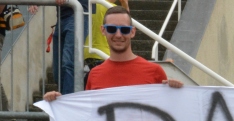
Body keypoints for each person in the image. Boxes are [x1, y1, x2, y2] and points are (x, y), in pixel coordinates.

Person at [41, 6, 182, 102]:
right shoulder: (94, 75)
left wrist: (177, 93)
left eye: (124, 30)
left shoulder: (155, 72)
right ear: (103, 30)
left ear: (133, 32)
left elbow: (168, 117)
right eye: (112, 29)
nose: (118, 35)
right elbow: (87, 116)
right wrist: (59, 103)